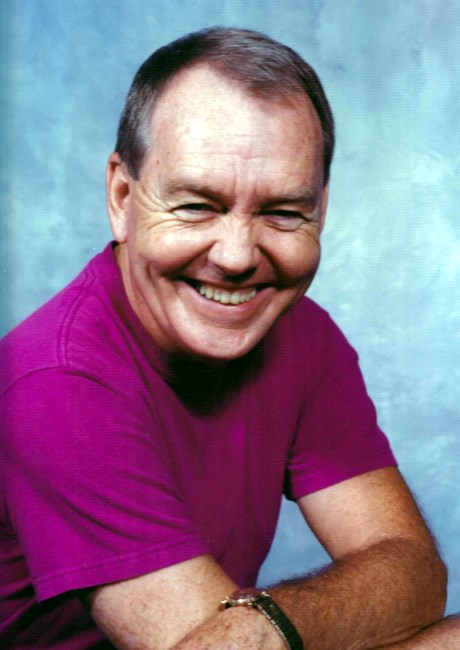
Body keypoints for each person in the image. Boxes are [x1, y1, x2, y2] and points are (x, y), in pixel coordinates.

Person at [0, 26, 458, 650]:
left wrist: (261, 623)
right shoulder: (54, 380)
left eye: (283, 213)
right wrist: (271, 628)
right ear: (122, 196)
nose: (238, 257)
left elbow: (413, 570)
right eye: (197, 206)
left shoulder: (302, 337)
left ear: (321, 210)